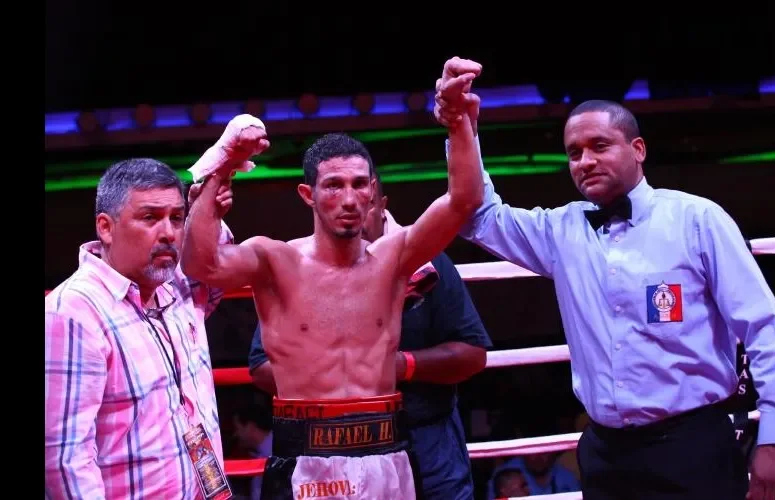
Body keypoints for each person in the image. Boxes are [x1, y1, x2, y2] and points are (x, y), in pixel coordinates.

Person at [432, 62, 775, 500]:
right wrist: (461, 124)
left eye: (600, 146)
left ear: (638, 149)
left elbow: (766, 331)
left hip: (694, 446)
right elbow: (478, 215)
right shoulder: (562, 231)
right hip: (606, 455)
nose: (585, 161)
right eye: (574, 153)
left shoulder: (697, 220)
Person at [180, 57, 484, 500]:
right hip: (306, 453)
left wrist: (457, 120)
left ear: (374, 191)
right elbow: (201, 267)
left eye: (360, 185)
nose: (349, 198)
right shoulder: (274, 259)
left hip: (386, 448)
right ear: (308, 194)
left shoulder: (395, 259)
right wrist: (219, 172)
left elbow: (464, 200)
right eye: (334, 185)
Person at [248, 170, 493, 499]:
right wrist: (330, 376)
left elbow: (473, 354)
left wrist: (400, 365)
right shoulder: (299, 268)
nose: (352, 208)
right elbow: (261, 366)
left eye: (365, 200)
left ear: (381, 205)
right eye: (337, 196)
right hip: (328, 448)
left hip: (428, 439)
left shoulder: (428, 262)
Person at [45, 155, 237, 499]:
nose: (168, 233)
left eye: (176, 218)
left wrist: (205, 209)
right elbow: (65, 458)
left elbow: (214, 260)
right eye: (150, 217)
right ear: (106, 227)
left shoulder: (174, 288)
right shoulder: (73, 312)